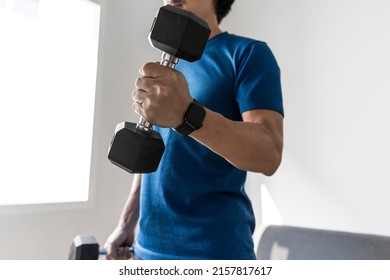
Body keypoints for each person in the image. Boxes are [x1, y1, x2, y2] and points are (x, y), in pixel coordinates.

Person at [104, 0, 284, 260]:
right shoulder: (168, 64)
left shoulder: (247, 53)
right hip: (146, 250)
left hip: (214, 253)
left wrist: (187, 114)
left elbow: (269, 153)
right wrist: (127, 222)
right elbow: (153, 146)